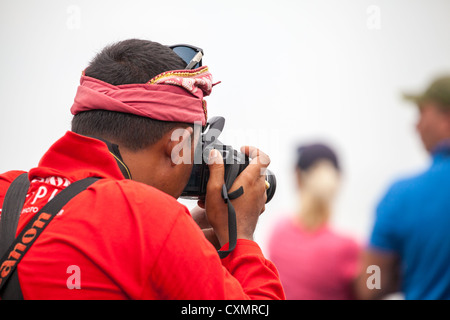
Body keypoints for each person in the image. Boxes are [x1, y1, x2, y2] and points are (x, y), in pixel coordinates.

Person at [0, 39, 285, 300]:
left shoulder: (7, 189)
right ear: (178, 146)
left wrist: (187, 241)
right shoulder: (153, 219)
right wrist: (242, 238)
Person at [354, 75, 450, 300]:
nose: (416, 125)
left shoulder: (402, 196)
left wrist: (392, 273)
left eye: (422, 113)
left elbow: (371, 285)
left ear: (446, 117)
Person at [268, 143, 361, 300]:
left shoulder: (278, 232)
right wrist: (377, 269)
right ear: (338, 182)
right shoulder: (348, 247)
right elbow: (374, 289)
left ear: (297, 178)